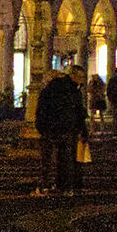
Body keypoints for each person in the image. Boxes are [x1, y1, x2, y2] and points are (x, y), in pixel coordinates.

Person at [36, 63, 86, 195]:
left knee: (47, 159)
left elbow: (41, 109)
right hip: (67, 129)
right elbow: (80, 112)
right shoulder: (73, 90)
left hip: (50, 128)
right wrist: (81, 130)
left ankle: (46, 185)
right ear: (73, 75)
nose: (82, 80)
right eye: (80, 77)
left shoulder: (49, 89)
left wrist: (41, 127)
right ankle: (64, 186)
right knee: (66, 159)